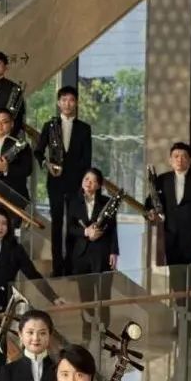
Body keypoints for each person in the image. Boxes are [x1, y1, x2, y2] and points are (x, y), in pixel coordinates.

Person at [35, 85, 93, 275]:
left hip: (76, 183)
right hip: (55, 182)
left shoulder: (84, 128)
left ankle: (71, 266)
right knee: (57, 224)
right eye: (64, 100)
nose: (68, 104)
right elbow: (38, 152)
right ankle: (57, 267)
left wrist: (84, 184)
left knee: (73, 224)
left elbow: (87, 159)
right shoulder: (50, 125)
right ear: (58, 103)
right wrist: (46, 165)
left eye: (71, 100)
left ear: (76, 103)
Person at [145, 142, 191, 301]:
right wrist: (150, 213)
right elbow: (150, 203)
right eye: (176, 156)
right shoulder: (162, 180)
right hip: (171, 239)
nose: (179, 160)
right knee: (176, 284)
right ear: (170, 160)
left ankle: (190, 317)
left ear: (190, 160)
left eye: (184, 157)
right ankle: (179, 316)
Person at [68, 168, 119, 308]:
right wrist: (86, 231)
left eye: (93, 181)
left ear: (99, 185)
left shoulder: (107, 202)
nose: (88, 183)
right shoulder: (73, 201)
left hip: (102, 253)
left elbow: (113, 229)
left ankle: (103, 323)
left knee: (104, 297)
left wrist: (114, 252)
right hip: (81, 255)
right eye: (86, 179)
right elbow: (70, 228)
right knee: (86, 299)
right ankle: (87, 322)